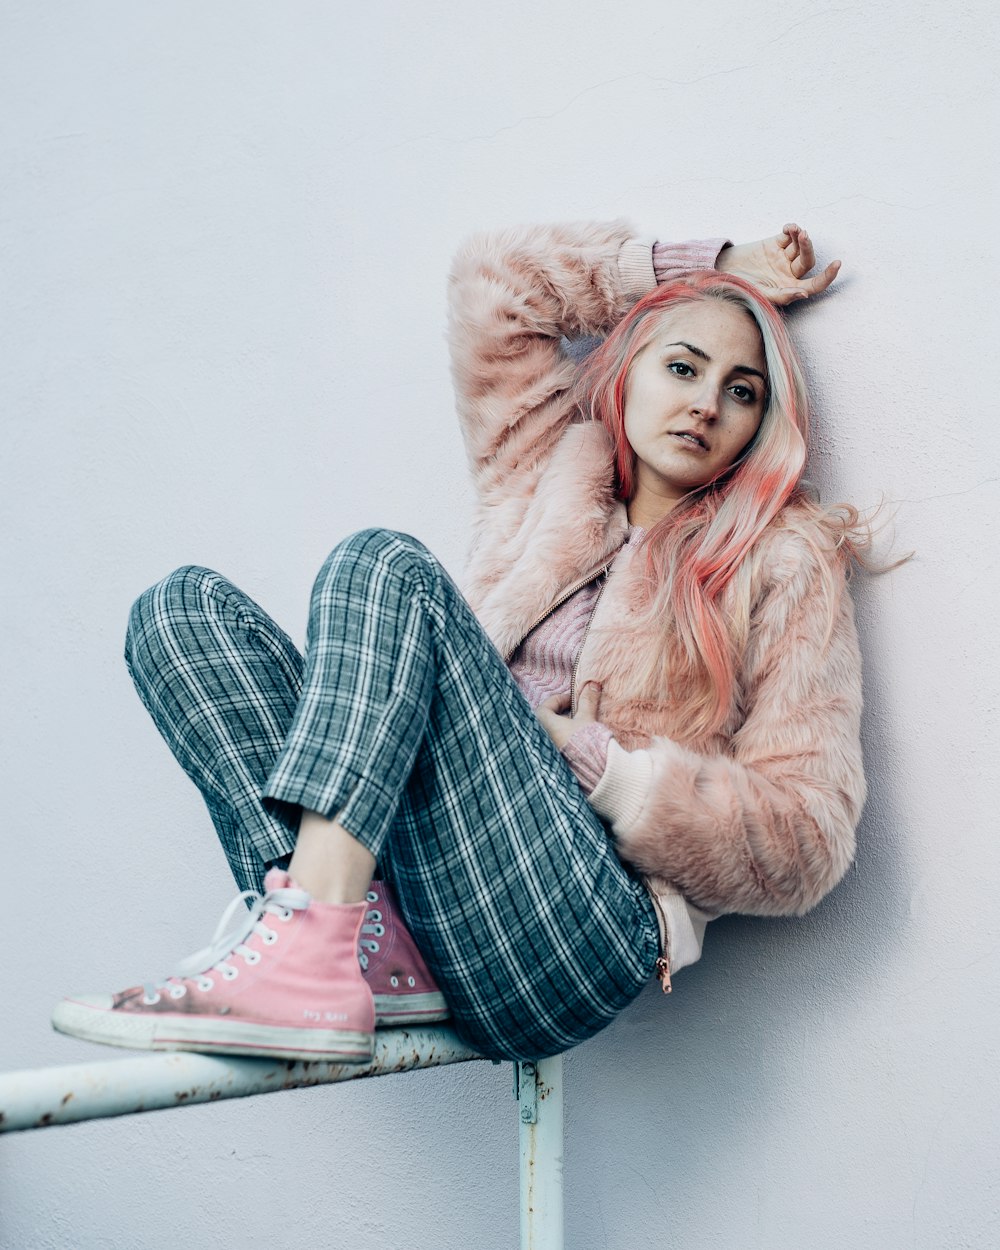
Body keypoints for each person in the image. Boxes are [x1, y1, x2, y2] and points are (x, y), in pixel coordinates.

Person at [52, 219, 867, 1064]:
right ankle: (350, 943)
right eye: (682, 366)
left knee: (383, 564)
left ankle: (309, 950)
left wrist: (602, 765)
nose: (705, 403)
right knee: (180, 615)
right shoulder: (545, 469)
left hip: (583, 921)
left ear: (763, 422)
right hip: (428, 890)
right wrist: (717, 267)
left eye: (742, 390)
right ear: (626, 374)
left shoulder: (783, 558)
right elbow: (498, 282)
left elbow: (810, 835)